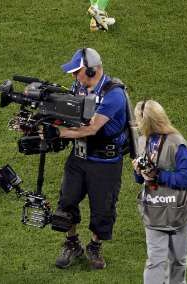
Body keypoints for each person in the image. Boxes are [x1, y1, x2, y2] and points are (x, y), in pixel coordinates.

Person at [54, 48, 128, 269]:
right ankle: (72, 243)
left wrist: (58, 133)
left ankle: (94, 246)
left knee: (103, 209)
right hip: (79, 156)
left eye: (76, 71)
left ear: (90, 70)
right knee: (66, 202)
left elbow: (92, 128)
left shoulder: (114, 94)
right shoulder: (79, 86)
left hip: (105, 163)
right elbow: (70, 114)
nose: (73, 76)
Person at [132, 100, 187, 284]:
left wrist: (158, 175)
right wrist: (139, 172)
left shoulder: (177, 143)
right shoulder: (142, 140)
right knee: (155, 260)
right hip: (155, 209)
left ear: (148, 120)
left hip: (181, 210)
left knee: (178, 260)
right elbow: (140, 179)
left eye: (138, 118)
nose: (136, 123)